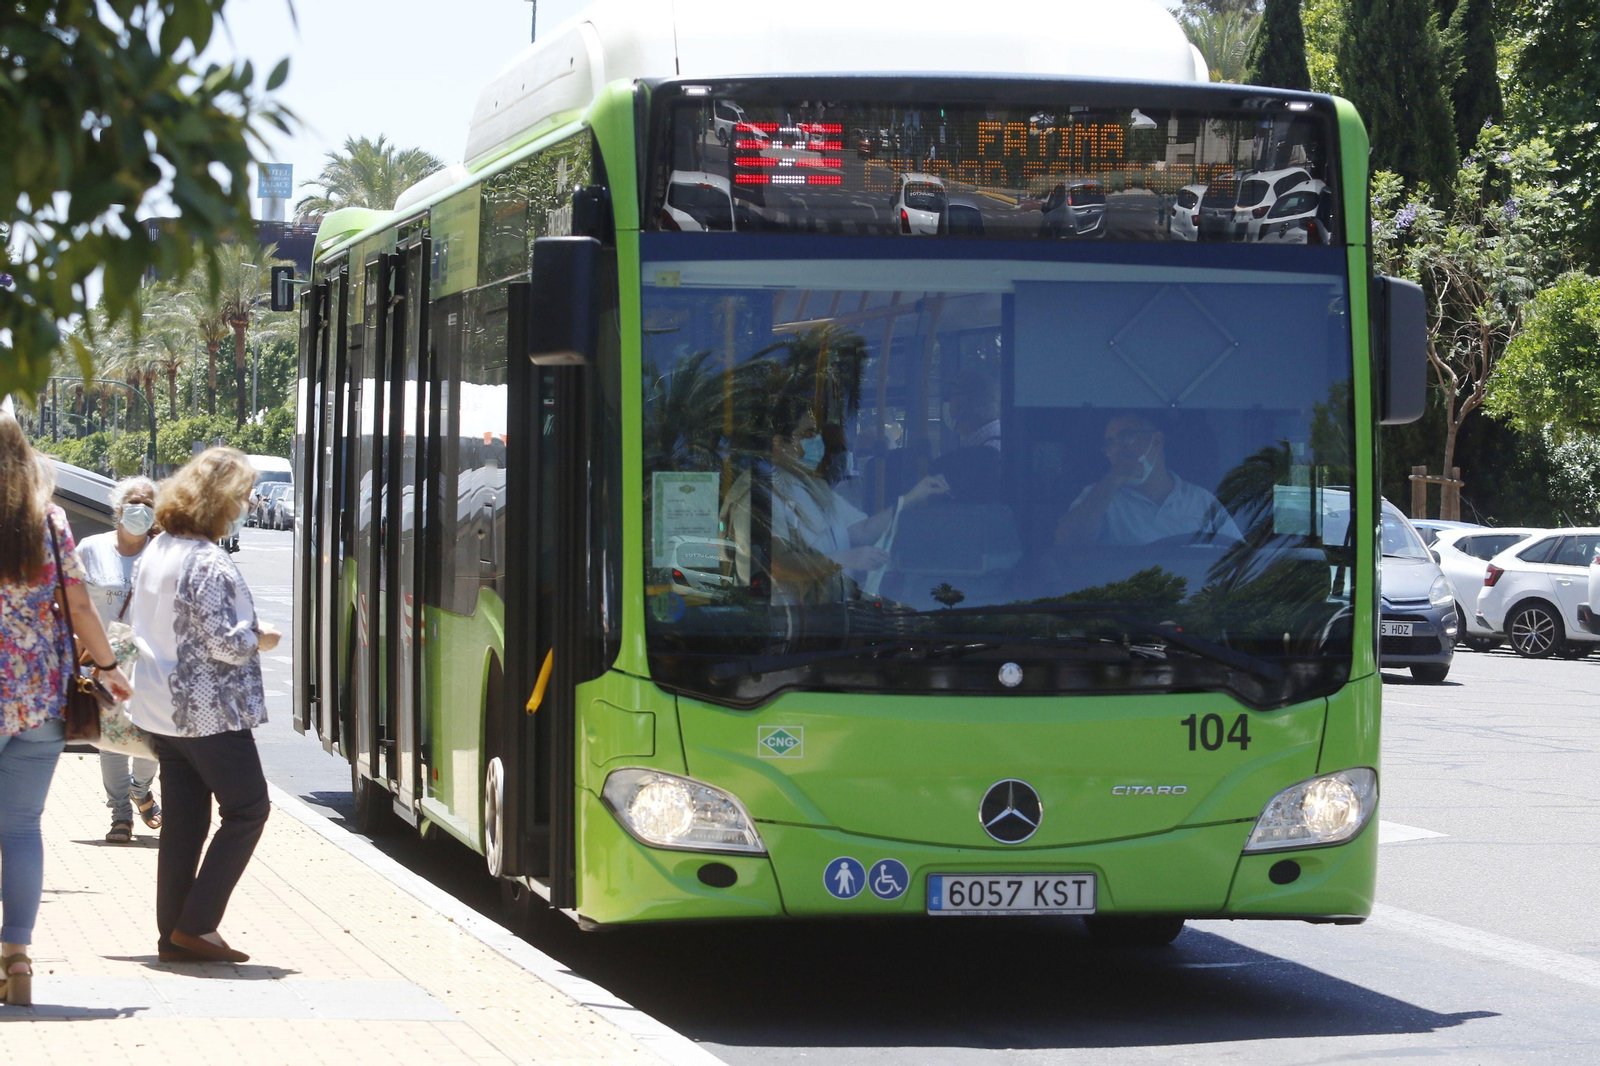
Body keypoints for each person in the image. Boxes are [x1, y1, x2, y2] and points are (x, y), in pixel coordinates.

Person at [125, 448, 280, 964]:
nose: (245, 504)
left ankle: (174, 934)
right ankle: (196, 925)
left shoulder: (158, 548)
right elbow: (225, 643)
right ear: (218, 501)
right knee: (248, 807)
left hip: (159, 707)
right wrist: (259, 637)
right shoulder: (207, 560)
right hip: (207, 712)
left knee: (186, 821)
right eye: (240, 495)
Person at [0, 413, 133, 1005]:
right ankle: (18, 958)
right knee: (23, 826)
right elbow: (79, 609)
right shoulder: (48, 523)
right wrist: (108, 669)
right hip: (41, 697)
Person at [767, 407, 948, 601]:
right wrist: (845, 559)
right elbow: (779, 564)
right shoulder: (763, 491)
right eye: (808, 433)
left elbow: (863, 530)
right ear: (780, 443)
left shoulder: (817, 490)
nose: (817, 442)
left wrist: (912, 497)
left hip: (833, 615)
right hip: (789, 621)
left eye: (818, 434)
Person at [76, 476, 162, 843]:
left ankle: (139, 788)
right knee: (109, 737)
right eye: (134, 502)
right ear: (119, 508)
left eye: (148, 503)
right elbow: (73, 601)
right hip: (103, 659)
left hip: (148, 660)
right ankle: (120, 816)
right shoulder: (91, 548)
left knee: (150, 736)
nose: (140, 509)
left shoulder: (163, 552)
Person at [1055, 413, 1241, 547]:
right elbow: (1066, 545)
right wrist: (1112, 479)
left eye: (1126, 437)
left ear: (1157, 441)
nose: (1117, 449)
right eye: (1110, 443)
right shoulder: (1097, 496)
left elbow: (1241, 559)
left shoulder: (1201, 500)